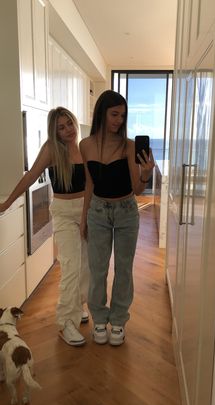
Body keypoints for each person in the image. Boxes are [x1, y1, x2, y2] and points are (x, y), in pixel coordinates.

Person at [0, 107, 90, 347]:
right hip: (63, 212)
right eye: (61, 127)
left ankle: (78, 304)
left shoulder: (83, 147)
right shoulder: (52, 150)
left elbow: (92, 183)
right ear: (54, 131)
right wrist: (7, 203)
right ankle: (65, 323)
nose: (67, 130)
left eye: (69, 123)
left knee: (87, 265)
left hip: (86, 210)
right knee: (71, 265)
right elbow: (30, 177)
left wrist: (90, 214)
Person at [80, 90, 154, 346]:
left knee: (124, 269)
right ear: (101, 113)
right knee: (97, 269)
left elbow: (137, 189)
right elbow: (90, 184)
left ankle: (119, 321)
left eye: (122, 115)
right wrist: (84, 218)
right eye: (114, 114)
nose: (119, 120)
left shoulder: (130, 146)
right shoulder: (85, 145)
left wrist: (146, 173)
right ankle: (99, 319)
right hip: (98, 212)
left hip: (126, 212)